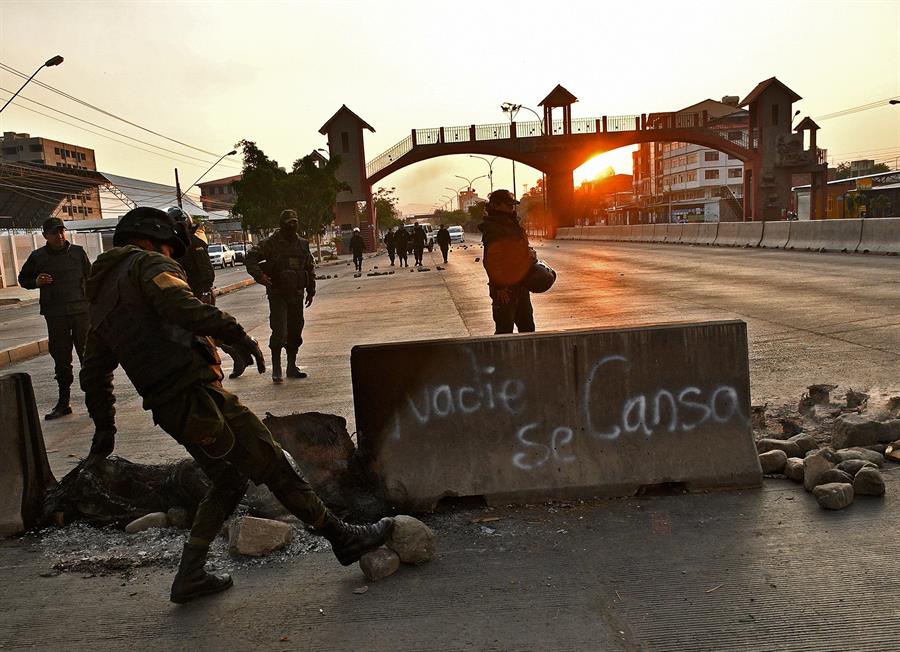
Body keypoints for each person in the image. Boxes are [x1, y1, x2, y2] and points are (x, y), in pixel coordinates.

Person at [79, 206, 393, 604]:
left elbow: (93, 374)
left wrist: (105, 428)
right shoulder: (147, 264)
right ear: (149, 240)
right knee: (273, 463)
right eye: (170, 248)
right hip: (198, 397)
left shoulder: (102, 297)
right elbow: (181, 307)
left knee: (228, 480)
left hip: (170, 407)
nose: (173, 256)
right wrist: (237, 334)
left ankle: (190, 572)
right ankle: (342, 538)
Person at [18, 217, 91, 420]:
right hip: (56, 314)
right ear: (45, 236)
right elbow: (23, 279)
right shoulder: (38, 257)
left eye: (61, 232)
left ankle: (95, 400)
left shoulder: (77, 252)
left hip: (81, 312)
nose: (59, 236)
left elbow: (91, 277)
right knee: (61, 359)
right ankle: (64, 402)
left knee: (88, 358)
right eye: (54, 233)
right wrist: (36, 281)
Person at [166, 207, 248, 379]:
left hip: (199, 294)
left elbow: (207, 271)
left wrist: (204, 292)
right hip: (185, 296)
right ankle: (233, 353)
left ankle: (221, 361)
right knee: (197, 332)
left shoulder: (195, 244)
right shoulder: (173, 247)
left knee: (203, 331)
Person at [244, 210, 316, 383]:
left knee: (295, 331)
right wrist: (259, 276)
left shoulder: (302, 244)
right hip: (278, 294)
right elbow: (250, 258)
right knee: (279, 332)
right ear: (282, 224)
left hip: (297, 294)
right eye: (289, 222)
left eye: (294, 222)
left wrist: (311, 290)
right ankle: (277, 369)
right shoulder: (270, 243)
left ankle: (292, 367)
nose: (292, 225)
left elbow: (309, 268)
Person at [478, 189, 536, 334]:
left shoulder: (512, 224)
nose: (511, 208)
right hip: (505, 290)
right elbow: (491, 261)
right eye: (508, 205)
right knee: (504, 331)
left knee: (528, 328)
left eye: (512, 205)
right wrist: (499, 287)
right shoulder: (494, 228)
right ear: (496, 206)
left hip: (521, 284)